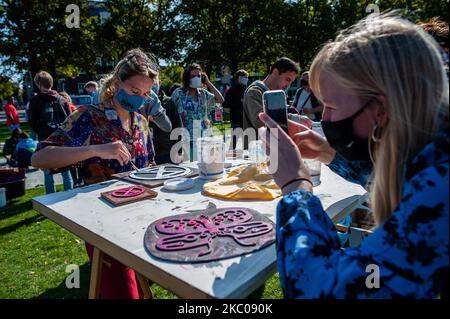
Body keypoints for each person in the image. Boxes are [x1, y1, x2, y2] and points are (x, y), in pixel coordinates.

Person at [258, 13, 449, 298]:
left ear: (381, 109)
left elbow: (324, 289)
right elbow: (400, 183)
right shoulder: (431, 159)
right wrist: (328, 153)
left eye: (331, 105)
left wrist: (295, 187)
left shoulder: (441, 187)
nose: (327, 118)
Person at [32, 48, 158, 299]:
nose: (139, 99)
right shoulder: (88, 117)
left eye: (145, 94)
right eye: (134, 92)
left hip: (141, 219)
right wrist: (97, 150)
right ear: (116, 83)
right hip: (103, 224)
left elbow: (150, 166)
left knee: (144, 288)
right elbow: (40, 158)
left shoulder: (141, 122)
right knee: (123, 292)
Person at [28, 71, 73, 194]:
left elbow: (32, 122)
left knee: (47, 171)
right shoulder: (62, 99)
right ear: (51, 83)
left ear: (38, 84)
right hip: (62, 138)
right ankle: (69, 197)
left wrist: (40, 132)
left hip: (45, 138)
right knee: (65, 170)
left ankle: (49, 200)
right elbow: (70, 119)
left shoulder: (35, 101)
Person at [171, 64, 224, 160]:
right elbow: (170, 112)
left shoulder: (203, 93)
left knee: (207, 168)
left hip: (205, 139)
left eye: (199, 76)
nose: (196, 78)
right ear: (187, 78)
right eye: (193, 76)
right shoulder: (178, 93)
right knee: (192, 169)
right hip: (188, 140)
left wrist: (207, 82)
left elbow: (220, 100)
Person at [242, 57, 300, 133]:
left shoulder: (276, 95)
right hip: (255, 143)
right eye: (287, 79)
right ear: (275, 72)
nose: (288, 85)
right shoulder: (254, 91)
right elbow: (259, 121)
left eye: (291, 82)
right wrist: (294, 118)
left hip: (272, 143)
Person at [144, 79, 182, 164]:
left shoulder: (169, 102)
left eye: (154, 82)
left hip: (168, 151)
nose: (152, 86)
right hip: (150, 153)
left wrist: (179, 150)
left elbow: (177, 126)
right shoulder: (141, 101)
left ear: (159, 82)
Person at [223, 70, 249, 149]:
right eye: (245, 77)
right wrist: (239, 101)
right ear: (239, 78)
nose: (247, 79)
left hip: (245, 121)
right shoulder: (232, 90)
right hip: (236, 120)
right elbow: (226, 104)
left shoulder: (246, 89)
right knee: (234, 144)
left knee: (246, 145)